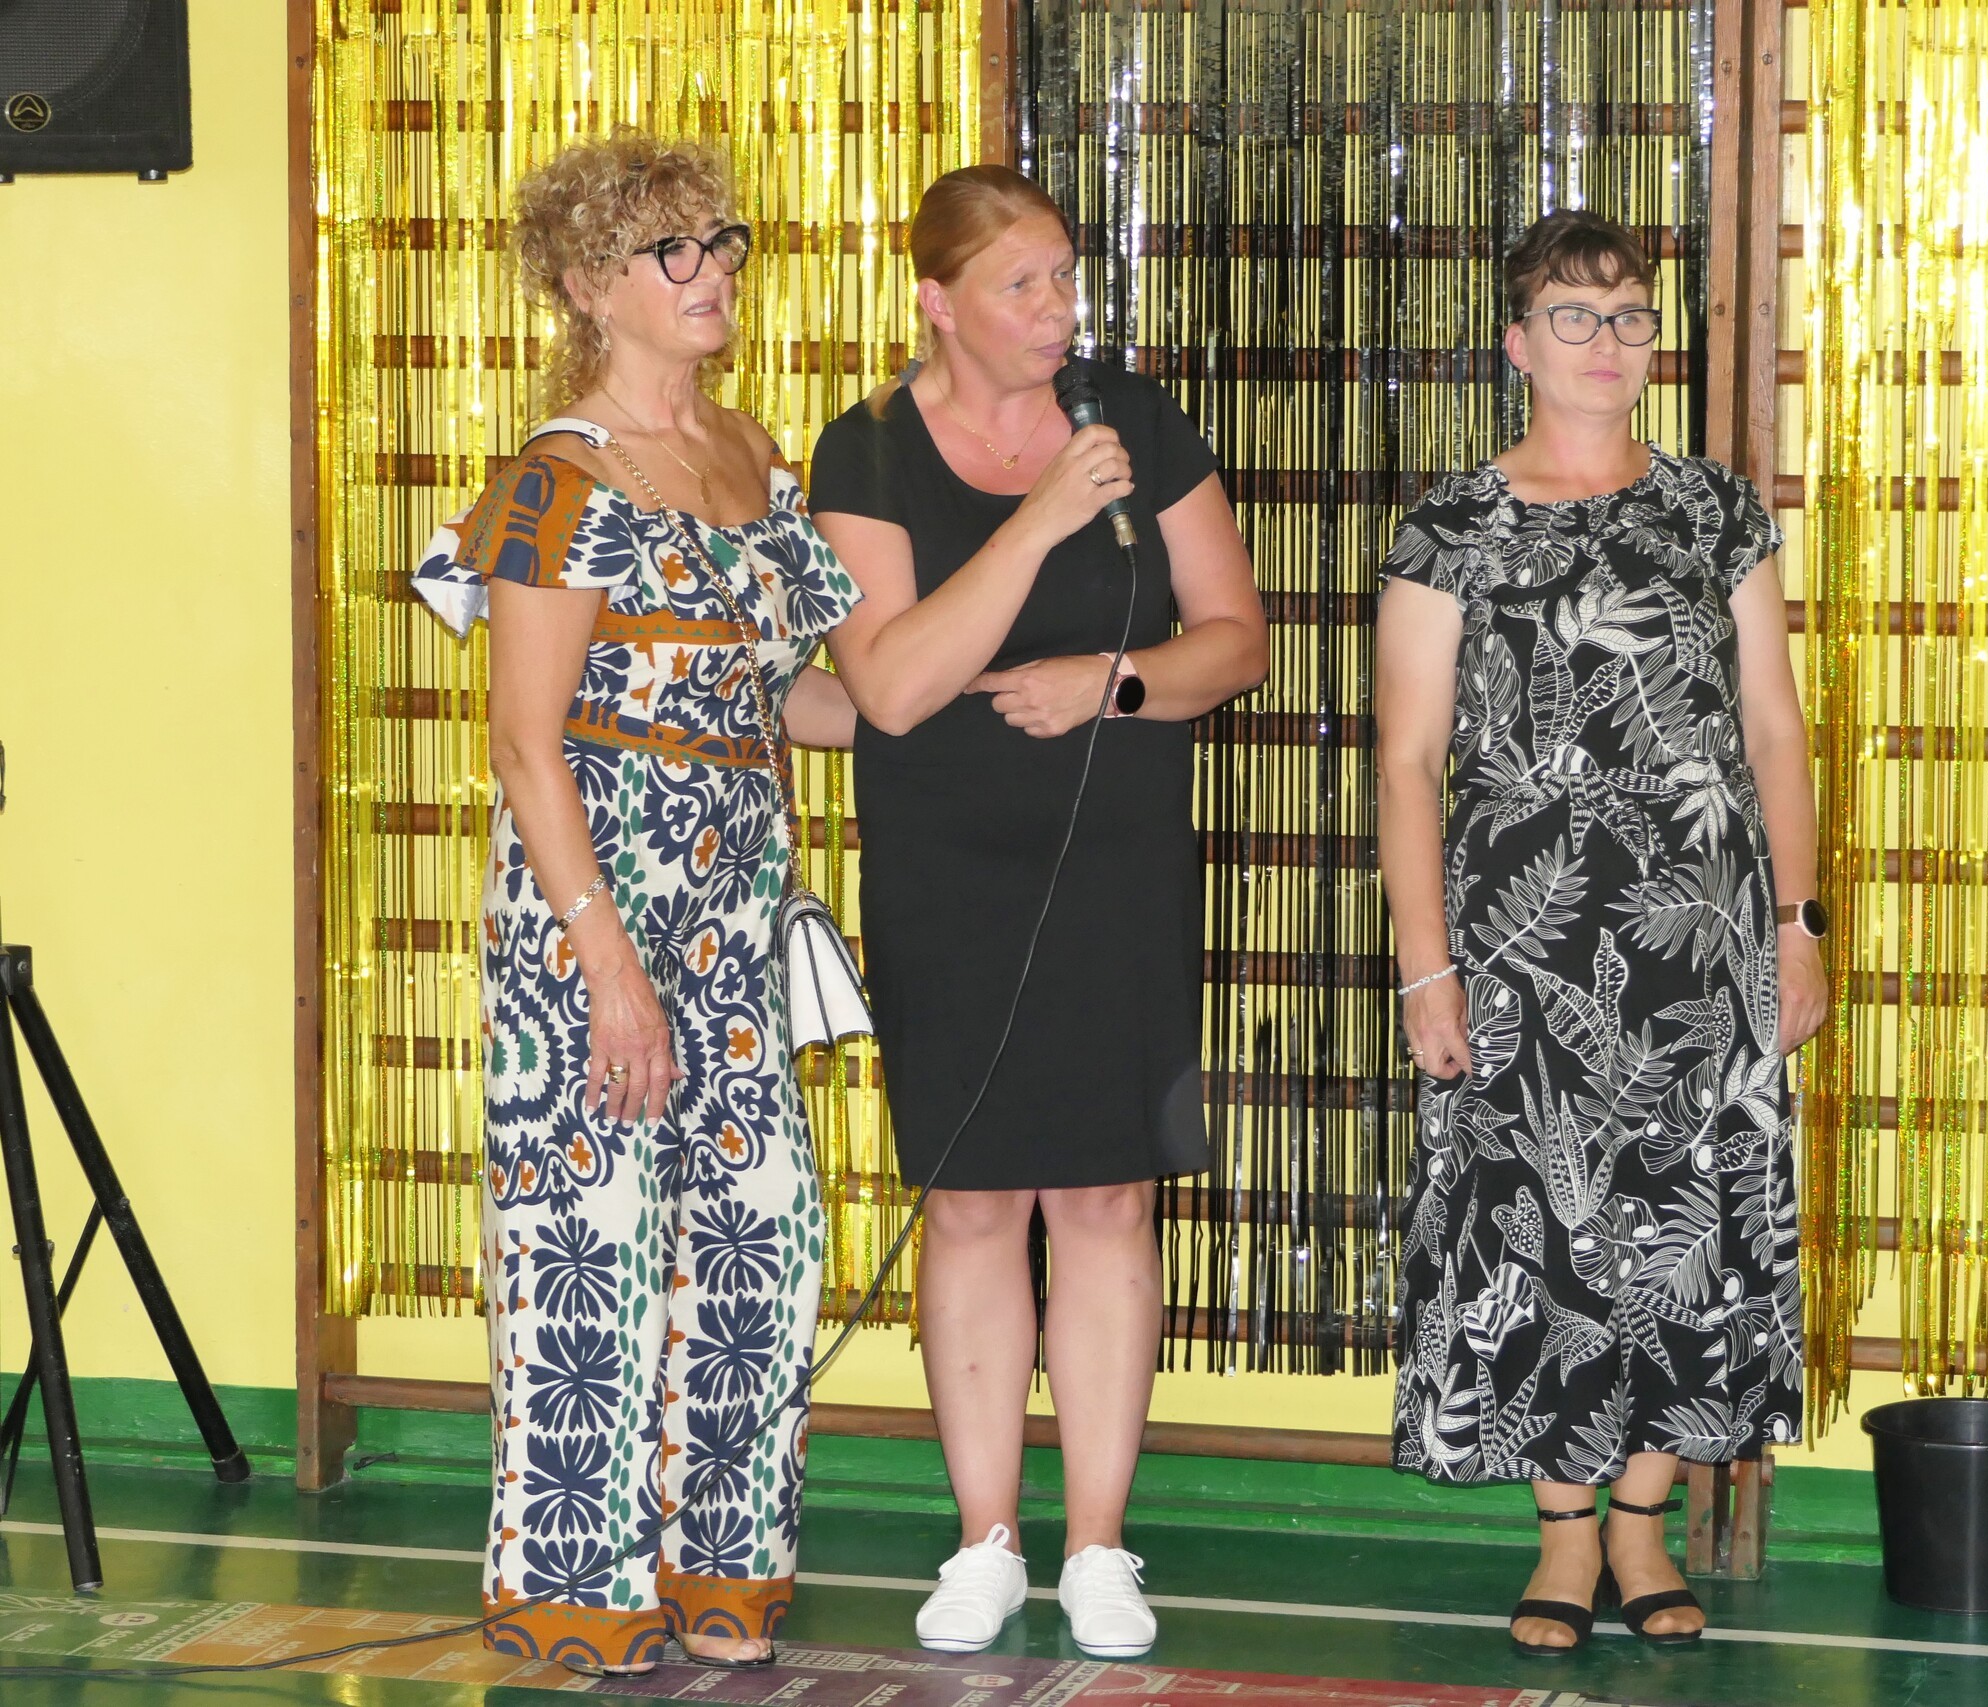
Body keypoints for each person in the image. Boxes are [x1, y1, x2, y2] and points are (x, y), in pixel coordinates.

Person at [800, 165, 1267, 1658]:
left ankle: (1102, 1546)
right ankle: (986, 1539)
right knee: (975, 1202)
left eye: (1066, 276)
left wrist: (1116, 684)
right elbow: (890, 685)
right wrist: (1041, 517)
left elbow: (1235, 643)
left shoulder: (1135, 422)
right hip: (946, 868)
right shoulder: (869, 450)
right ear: (936, 303)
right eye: (1023, 284)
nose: (1059, 308)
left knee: (1110, 1198)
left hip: (1115, 862)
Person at [410, 132, 862, 1676]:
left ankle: (721, 1568)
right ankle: (574, 1589)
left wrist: (960, 710)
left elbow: (792, 700)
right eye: (672, 250)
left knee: (760, 1237)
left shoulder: (750, 455)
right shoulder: (556, 482)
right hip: (587, 921)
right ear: (587, 285)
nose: (712, 270)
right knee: (586, 1251)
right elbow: (524, 744)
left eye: (720, 242)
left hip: (736, 914)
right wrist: (607, 965)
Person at [1373, 209, 1829, 1657]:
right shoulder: (1452, 526)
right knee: (1545, 1230)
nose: (1608, 343)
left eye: (1630, 316)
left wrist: (1799, 923)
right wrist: (1427, 965)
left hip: (1703, 927)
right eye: (1574, 316)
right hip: (1524, 940)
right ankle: (1566, 1534)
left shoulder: (1714, 513)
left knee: (1694, 1228)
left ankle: (1646, 1521)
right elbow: (1407, 761)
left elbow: (1773, 728)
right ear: (1518, 344)